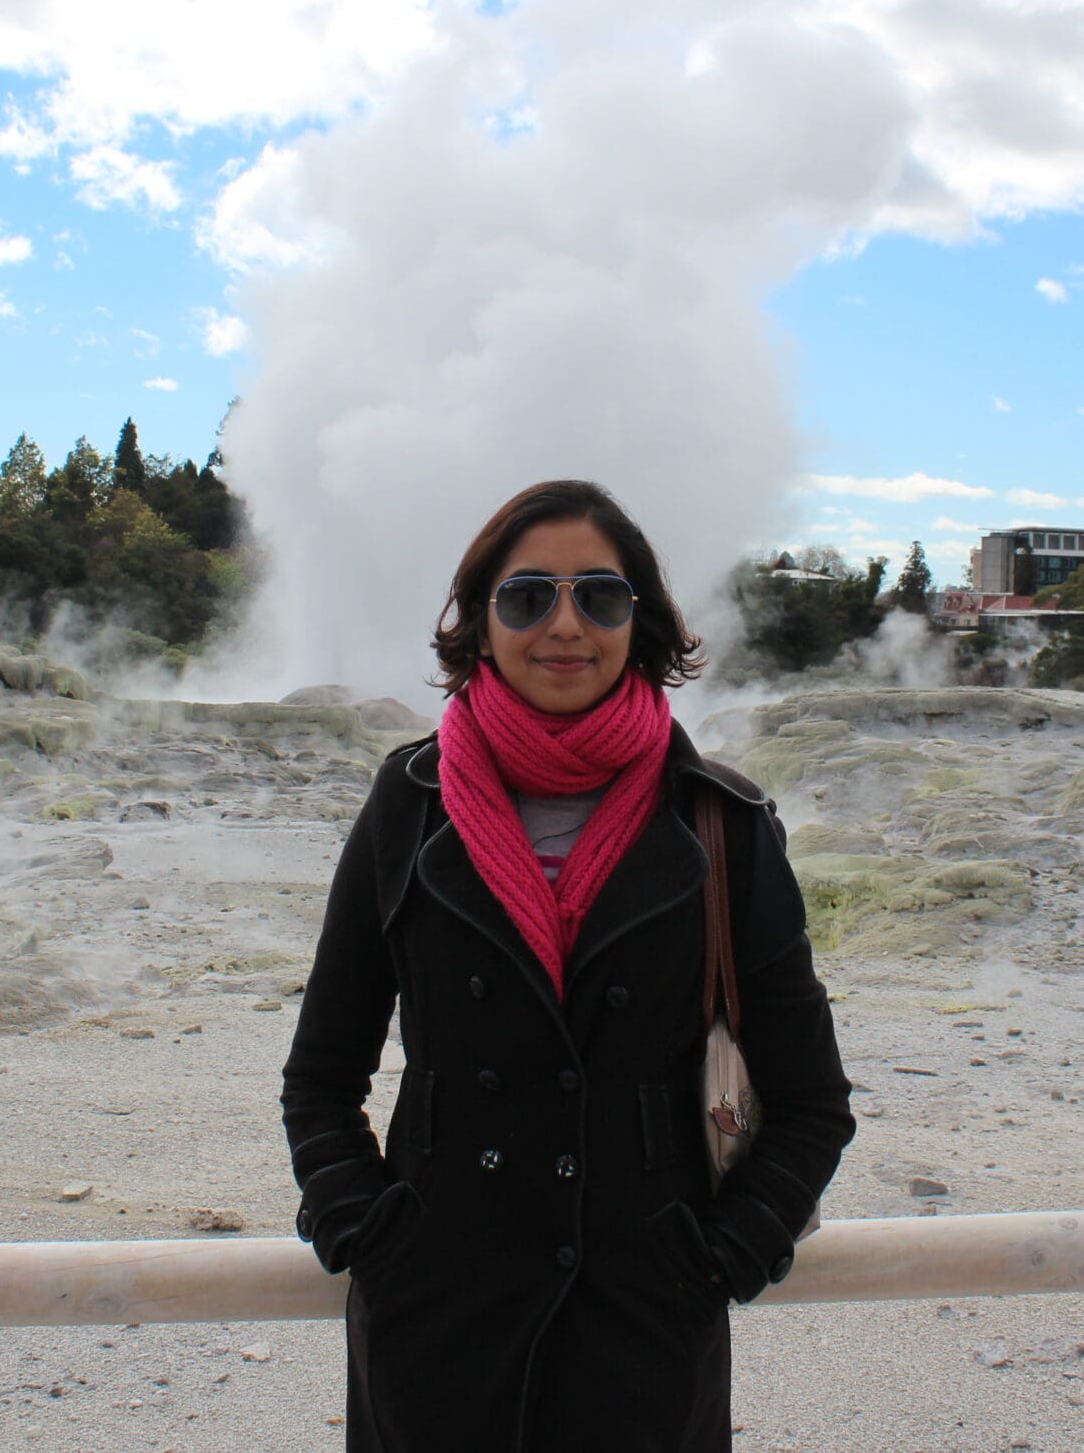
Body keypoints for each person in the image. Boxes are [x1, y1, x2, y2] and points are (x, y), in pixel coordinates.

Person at [280, 479, 855, 1452]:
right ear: (480, 621)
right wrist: (368, 1233)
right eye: (526, 595)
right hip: (439, 1311)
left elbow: (810, 1102)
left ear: (643, 621)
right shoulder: (409, 801)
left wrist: (724, 1255)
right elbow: (322, 1073)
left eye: (599, 595)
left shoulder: (722, 823)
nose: (564, 624)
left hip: (642, 1317)